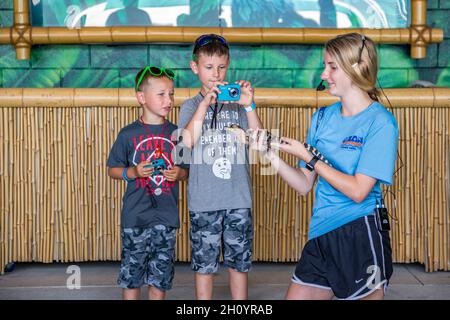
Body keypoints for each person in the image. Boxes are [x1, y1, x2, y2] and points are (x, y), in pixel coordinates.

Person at [258, 33, 398, 300]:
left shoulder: (381, 122)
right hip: (321, 234)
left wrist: (311, 158)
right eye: (325, 66)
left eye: (332, 67)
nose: (324, 74)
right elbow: (303, 184)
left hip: (360, 232)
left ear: (356, 68)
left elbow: (358, 191)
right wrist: (269, 154)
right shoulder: (322, 117)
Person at [177, 34, 263, 300]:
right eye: (209, 67)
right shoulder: (190, 106)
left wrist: (248, 104)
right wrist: (204, 105)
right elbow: (184, 146)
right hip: (204, 201)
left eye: (222, 67)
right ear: (195, 68)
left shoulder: (237, 104)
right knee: (205, 265)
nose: (216, 74)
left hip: (238, 199)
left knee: (239, 262)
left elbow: (259, 143)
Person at [106, 66, 188, 300]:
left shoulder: (178, 134)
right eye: (161, 94)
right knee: (132, 278)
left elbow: (186, 172)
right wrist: (133, 171)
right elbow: (112, 169)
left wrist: (178, 174)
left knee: (159, 279)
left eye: (171, 94)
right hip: (135, 218)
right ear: (141, 97)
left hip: (166, 217)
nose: (169, 100)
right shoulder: (127, 134)